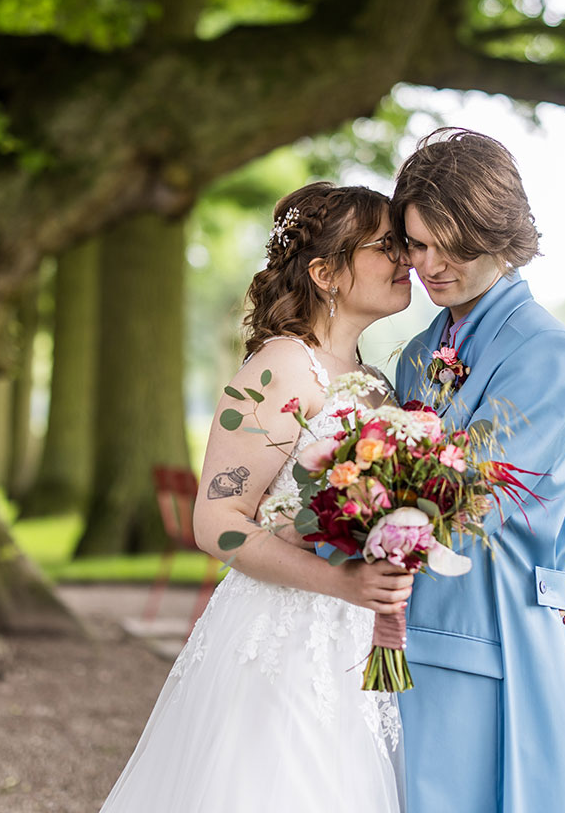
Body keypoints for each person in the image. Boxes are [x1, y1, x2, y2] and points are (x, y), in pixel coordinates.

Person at [98, 182, 415, 813]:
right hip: (283, 638)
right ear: (325, 272)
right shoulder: (283, 369)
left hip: (356, 641)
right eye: (386, 245)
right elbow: (216, 521)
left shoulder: (382, 383)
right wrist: (341, 583)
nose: (405, 257)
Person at [391, 129, 565, 813]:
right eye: (416, 244)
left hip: (489, 635)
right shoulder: (419, 352)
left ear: (499, 232)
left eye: (451, 243)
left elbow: (469, 501)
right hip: (402, 628)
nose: (430, 265)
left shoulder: (548, 355)